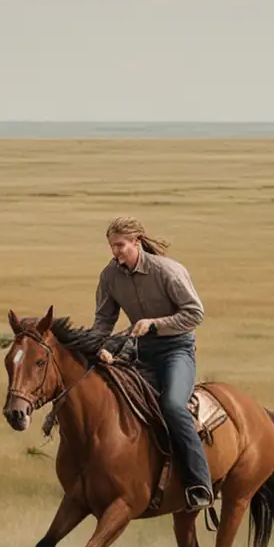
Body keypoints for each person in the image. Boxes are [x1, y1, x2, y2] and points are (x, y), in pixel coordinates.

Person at [91, 216, 212, 510]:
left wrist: (155, 324)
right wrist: (99, 347)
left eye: (120, 245)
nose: (116, 252)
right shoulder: (110, 276)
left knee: (171, 405)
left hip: (177, 350)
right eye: (112, 246)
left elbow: (195, 314)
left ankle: (200, 484)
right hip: (139, 351)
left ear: (136, 242)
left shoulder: (167, 271)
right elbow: (104, 320)